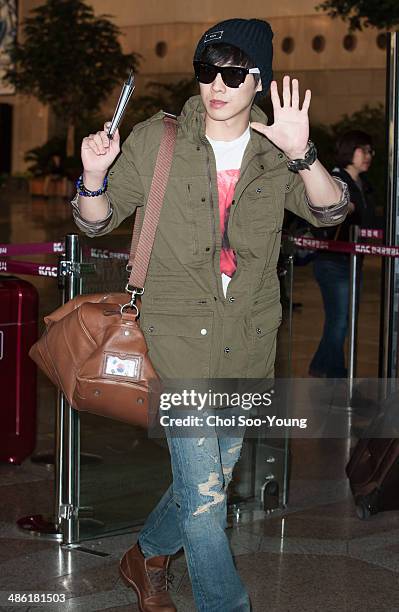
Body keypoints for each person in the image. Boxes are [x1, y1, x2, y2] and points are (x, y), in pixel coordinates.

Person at [72, 18, 348, 612]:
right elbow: (95, 220)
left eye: (231, 72)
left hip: (248, 339)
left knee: (210, 482)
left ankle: (144, 552)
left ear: (258, 80)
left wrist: (303, 154)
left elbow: (329, 214)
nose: (216, 85)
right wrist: (94, 176)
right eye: (206, 71)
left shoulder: (277, 153)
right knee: (204, 498)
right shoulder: (158, 140)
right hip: (176, 338)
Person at [309, 130, 376, 378]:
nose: (368, 156)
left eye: (370, 151)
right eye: (363, 150)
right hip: (332, 261)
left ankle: (320, 366)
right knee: (339, 320)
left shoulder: (364, 184)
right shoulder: (337, 180)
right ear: (350, 150)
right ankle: (335, 373)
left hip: (353, 261)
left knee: (343, 319)